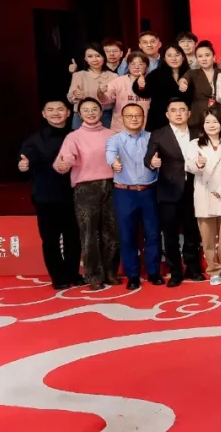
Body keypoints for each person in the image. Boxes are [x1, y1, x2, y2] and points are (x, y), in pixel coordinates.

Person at [19, 99, 83, 289]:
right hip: (46, 197)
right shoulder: (34, 140)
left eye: (60, 109)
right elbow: (24, 164)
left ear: (68, 113)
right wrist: (23, 166)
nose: (56, 113)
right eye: (51, 109)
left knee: (73, 238)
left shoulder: (77, 136)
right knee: (50, 240)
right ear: (44, 114)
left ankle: (73, 274)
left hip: (74, 196)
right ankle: (58, 277)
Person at [54, 98, 117, 290]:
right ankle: (94, 276)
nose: (91, 113)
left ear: (101, 112)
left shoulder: (112, 134)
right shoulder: (73, 137)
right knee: (89, 233)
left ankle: (111, 273)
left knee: (111, 232)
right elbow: (64, 160)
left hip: (112, 185)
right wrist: (63, 165)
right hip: (85, 188)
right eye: (86, 110)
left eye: (94, 109)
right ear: (79, 114)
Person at [145, 98, 205, 286]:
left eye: (182, 109)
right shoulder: (159, 134)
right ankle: (175, 272)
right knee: (170, 235)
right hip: (168, 191)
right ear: (167, 114)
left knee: (192, 233)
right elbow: (148, 158)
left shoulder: (198, 133)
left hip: (194, 190)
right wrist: (152, 162)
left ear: (189, 113)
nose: (178, 113)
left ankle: (193, 269)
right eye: (173, 110)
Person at [105, 103, 162, 290]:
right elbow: (110, 155)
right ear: (122, 118)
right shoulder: (115, 139)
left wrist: (157, 162)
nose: (134, 119)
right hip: (124, 192)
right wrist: (114, 163)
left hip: (149, 191)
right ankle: (133, 276)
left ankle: (154, 272)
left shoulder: (153, 137)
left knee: (152, 233)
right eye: (129, 116)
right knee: (127, 235)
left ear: (143, 117)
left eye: (137, 115)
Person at [191, 108, 221, 285]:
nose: (211, 125)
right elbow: (189, 165)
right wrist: (198, 164)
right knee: (207, 237)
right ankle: (213, 270)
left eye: (215, 121)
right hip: (205, 193)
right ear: (202, 125)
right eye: (207, 122)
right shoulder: (195, 144)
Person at [133, 44, 193, 132]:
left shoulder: (191, 74)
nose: (173, 58)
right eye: (169, 55)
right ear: (164, 58)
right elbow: (144, 93)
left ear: (183, 57)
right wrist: (141, 85)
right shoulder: (156, 74)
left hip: (185, 120)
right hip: (159, 120)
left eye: (177, 55)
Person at [67, 43, 117, 129]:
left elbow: (114, 99)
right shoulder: (79, 75)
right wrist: (75, 95)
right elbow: (70, 97)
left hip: (105, 115)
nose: (94, 59)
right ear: (85, 59)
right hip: (82, 116)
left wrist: (102, 94)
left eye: (98, 56)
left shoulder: (113, 76)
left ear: (104, 57)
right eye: (90, 56)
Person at [101, 51, 151, 132]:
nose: (136, 67)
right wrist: (100, 92)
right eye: (133, 64)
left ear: (147, 66)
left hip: (144, 129)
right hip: (120, 129)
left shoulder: (153, 82)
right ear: (128, 65)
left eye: (141, 64)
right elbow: (105, 100)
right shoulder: (118, 81)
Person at [186, 40, 221, 134]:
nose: (204, 59)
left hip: (219, 117)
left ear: (214, 57)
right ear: (197, 59)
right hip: (197, 119)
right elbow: (183, 80)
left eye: (207, 55)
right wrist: (182, 83)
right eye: (200, 56)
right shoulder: (192, 73)